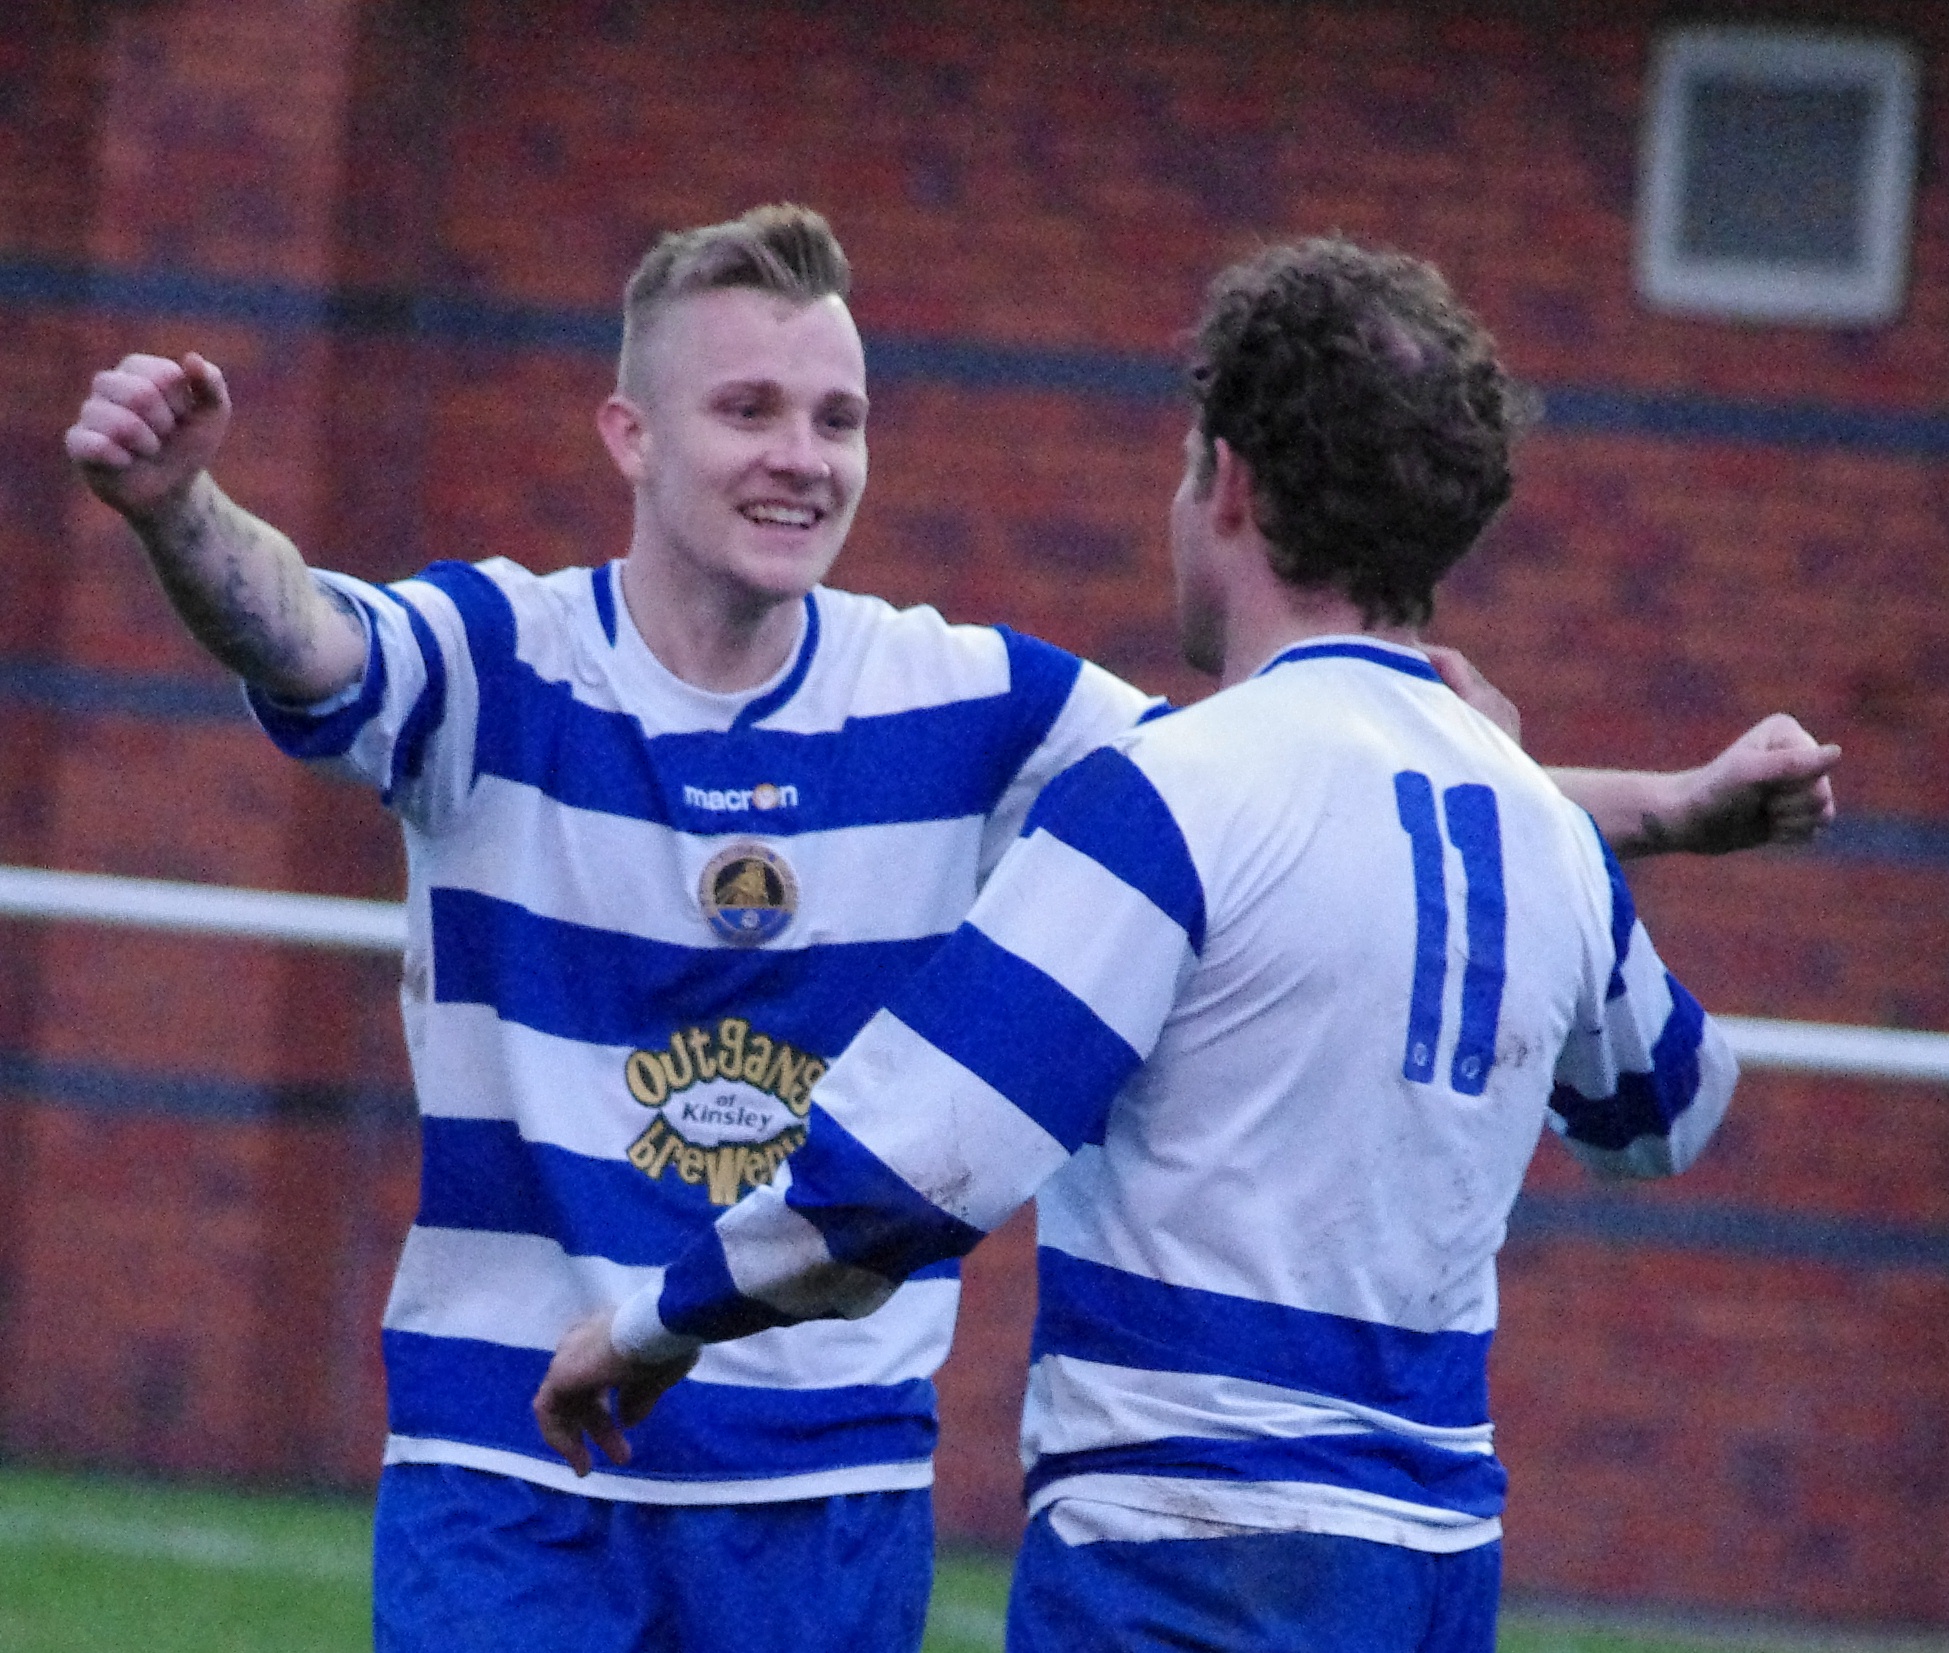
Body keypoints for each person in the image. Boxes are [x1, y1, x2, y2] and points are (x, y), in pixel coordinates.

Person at [67, 207, 1833, 1653]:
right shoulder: (500, 657)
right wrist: (181, 510)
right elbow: (302, 634)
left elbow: (1303, 791)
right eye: (747, 408)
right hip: (513, 1459)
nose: (802, 455)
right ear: (628, 432)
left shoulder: (972, 695)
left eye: (836, 417)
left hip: (825, 1489)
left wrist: (1664, 805)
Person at [533, 236, 1758, 1653]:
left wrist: (647, 1329)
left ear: (1227, 481)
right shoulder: (1533, 820)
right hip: (1435, 1568)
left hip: (1188, 1560)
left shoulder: (1171, 794)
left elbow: (899, 1175)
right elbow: (1665, 1107)